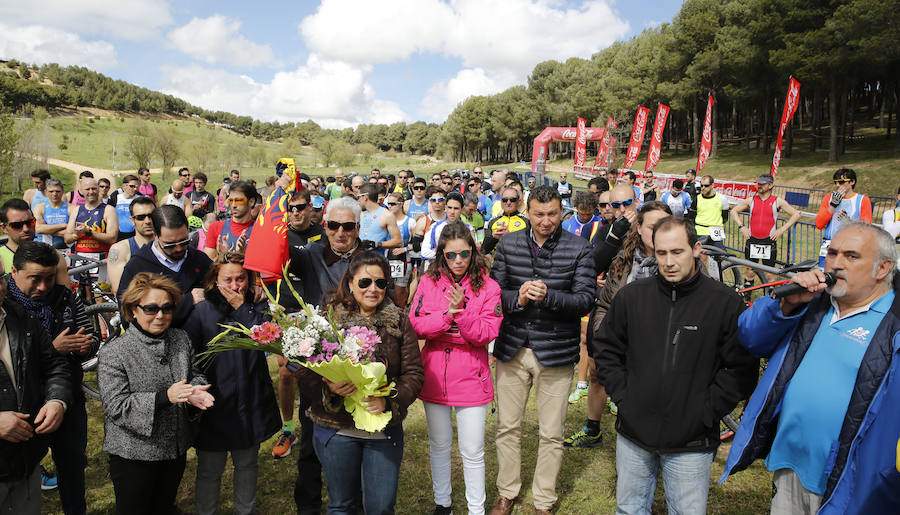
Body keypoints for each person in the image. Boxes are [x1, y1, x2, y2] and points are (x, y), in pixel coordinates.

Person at [721, 222, 899, 515]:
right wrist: (786, 305)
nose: (836, 264)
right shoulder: (813, 304)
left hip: (853, 483)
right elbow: (750, 338)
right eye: (832, 253)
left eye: (851, 256)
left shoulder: (894, 323)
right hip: (790, 464)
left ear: (882, 269)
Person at [595, 215, 758, 514]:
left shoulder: (724, 303)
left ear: (697, 249)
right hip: (634, 433)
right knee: (629, 509)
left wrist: (705, 411)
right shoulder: (632, 297)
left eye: (677, 252)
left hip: (692, 441)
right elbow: (606, 349)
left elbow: (741, 369)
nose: (669, 261)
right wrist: (624, 397)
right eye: (661, 253)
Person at [488, 186, 595, 515]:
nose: (545, 221)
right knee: (507, 426)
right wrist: (516, 299)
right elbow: (493, 295)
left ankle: (544, 500)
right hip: (513, 347)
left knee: (552, 432)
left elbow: (586, 299)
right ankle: (507, 491)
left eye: (552, 214)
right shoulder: (507, 244)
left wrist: (550, 296)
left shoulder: (579, 249)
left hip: (557, 350)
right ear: (526, 210)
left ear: (561, 212)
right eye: (538, 214)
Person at [293, 252, 424, 514]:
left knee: (381, 507)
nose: (372, 289)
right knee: (342, 506)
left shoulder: (398, 321)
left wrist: (388, 401)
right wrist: (327, 388)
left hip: (383, 431)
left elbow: (414, 374)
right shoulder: (327, 320)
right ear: (350, 283)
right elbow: (303, 370)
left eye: (380, 283)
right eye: (365, 282)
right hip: (337, 429)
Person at [98, 273, 214, 515]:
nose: (160, 315)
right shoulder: (115, 352)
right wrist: (165, 397)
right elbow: (116, 406)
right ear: (133, 310)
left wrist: (195, 392)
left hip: (173, 450)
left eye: (167, 308)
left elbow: (193, 374)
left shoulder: (180, 339)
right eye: (151, 309)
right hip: (134, 455)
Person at [409, 222, 502, 515]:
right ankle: (443, 503)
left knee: (472, 451)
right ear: (441, 255)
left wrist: (459, 316)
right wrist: (445, 317)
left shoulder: (489, 286)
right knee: (438, 444)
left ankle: (477, 509)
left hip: (472, 378)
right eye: (451, 255)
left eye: (464, 254)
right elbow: (416, 325)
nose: (459, 261)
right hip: (435, 376)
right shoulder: (428, 282)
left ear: (473, 253)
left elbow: (487, 332)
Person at [566, 201, 672, 448]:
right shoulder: (624, 257)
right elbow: (601, 292)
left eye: (664, 226)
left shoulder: (682, 263)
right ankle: (593, 429)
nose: (658, 233)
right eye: (652, 226)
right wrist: (604, 333)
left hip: (657, 344)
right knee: (598, 377)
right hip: (617, 335)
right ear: (639, 227)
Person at [184, 253, 280, 515]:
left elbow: (268, 338)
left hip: (250, 401)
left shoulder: (256, 308)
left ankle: (245, 510)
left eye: (241, 278)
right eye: (228, 279)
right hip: (215, 403)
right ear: (215, 281)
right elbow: (188, 355)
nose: (236, 285)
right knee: (209, 469)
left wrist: (242, 308)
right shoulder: (201, 312)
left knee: (247, 463)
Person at [7, 241, 92, 515]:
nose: (43, 287)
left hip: (67, 398)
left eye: (49, 278)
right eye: (35, 279)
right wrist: (52, 350)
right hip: (19, 409)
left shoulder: (66, 298)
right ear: (14, 273)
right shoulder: (5, 307)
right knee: (19, 474)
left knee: (72, 464)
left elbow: (89, 335)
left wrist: (85, 347)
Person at [0, 255, 71, 515]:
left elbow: (54, 366)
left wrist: (56, 401)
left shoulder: (21, 317)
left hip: (25, 463)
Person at [270, 189, 324, 460]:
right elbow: (263, 268)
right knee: (285, 372)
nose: (295, 213)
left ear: (310, 208)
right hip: (287, 309)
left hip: (316, 310)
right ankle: (288, 428)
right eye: (290, 208)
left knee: (316, 370)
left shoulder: (322, 233)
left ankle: (319, 421)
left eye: (300, 207)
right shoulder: (279, 233)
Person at [116, 205, 213, 327]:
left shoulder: (200, 259)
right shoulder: (137, 267)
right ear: (155, 235)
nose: (178, 248)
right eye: (170, 245)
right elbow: (127, 317)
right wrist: (188, 301)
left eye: (184, 242)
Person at [730, 174, 802, 284]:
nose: (759, 186)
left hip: (768, 241)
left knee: (770, 274)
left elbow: (796, 214)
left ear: (770, 185)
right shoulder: (751, 200)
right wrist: (742, 227)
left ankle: (770, 297)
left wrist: (781, 230)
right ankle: (746, 297)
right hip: (752, 240)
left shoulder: (777, 201)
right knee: (750, 272)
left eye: (762, 184)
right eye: (758, 183)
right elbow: (734, 211)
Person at [0, 199, 69, 287]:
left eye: (30, 223)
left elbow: (65, 297)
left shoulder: (54, 256)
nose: (26, 229)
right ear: (4, 228)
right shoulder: (0, 258)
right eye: (17, 225)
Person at [815, 168, 873, 267]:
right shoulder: (829, 198)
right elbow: (819, 224)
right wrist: (833, 205)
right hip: (829, 245)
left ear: (852, 182)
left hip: (850, 247)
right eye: (836, 182)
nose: (838, 185)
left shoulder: (863, 200)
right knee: (825, 278)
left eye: (841, 182)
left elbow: (866, 229)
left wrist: (848, 222)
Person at [107, 196, 157, 293]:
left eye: (151, 216)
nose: (147, 221)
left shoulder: (166, 245)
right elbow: (120, 291)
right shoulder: (120, 249)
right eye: (141, 217)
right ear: (132, 220)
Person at [64, 177, 119, 256]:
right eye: (87, 189)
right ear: (82, 191)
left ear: (98, 189)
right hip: (80, 256)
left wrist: (88, 232)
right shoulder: (77, 210)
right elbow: (67, 238)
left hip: (101, 257)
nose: (91, 192)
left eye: (94, 189)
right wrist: (76, 235)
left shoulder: (109, 210)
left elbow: (112, 238)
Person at [205, 181, 257, 260]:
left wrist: (242, 256)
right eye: (231, 200)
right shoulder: (216, 227)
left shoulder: (260, 230)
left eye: (238, 200)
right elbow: (208, 265)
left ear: (251, 202)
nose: (233, 205)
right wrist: (222, 257)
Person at [421, 192, 470, 267]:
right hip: (438, 269)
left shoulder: (468, 229)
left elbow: (470, 253)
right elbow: (424, 252)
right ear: (445, 208)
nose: (452, 212)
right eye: (450, 208)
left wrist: (438, 251)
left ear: (462, 210)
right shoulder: (435, 227)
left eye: (456, 208)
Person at [482, 185, 528, 254]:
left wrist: (510, 237)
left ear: (518, 202)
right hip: (497, 263)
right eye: (505, 200)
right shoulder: (492, 221)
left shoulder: (526, 222)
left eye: (512, 200)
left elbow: (530, 249)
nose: (508, 203)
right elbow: (484, 250)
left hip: (518, 263)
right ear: (501, 202)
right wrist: (493, 238)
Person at [385, 192, 412, 308]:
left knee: (400, 291)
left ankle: (402, 313)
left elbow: (417, 244)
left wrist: (404, 249)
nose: (389, 206)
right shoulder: (385, 221)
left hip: (403, 260)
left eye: (392, 204)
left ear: (401, 204)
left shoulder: (410, 221)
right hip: (387, 259)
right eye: (388, 204)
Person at [357, 183, 401, 252]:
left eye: (358, 196)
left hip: (377, 260)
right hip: (361, 259)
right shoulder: (362, 215)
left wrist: (376, 244)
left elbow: (398, 242)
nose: (358, 200)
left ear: (365, 197)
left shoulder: (386, 215)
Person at [693, 175, 730, 250]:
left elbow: (725, 217)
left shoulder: (722, 198)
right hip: (700, 232)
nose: (703, 188)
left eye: (706, 186)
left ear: (712, 185)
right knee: (700, 257)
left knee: (719, 256)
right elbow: (691, 216)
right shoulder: (697, 199)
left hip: (716, 233)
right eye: (701, 185)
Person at [33, 178, 69, 249]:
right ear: (46, 192)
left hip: (67, 247)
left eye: (57, 191)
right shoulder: (40, 207)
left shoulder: (71, 208)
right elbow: (39, 229)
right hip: (46, 247)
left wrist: (47, 230)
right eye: (51, 191)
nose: (54, 194)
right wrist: (64, 225)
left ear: (62, 192)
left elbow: (72, 232)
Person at [108, 174, 141, 242]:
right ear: (124, 186)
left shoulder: (139, 199)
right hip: (118, 234)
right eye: (132, 186)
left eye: (136, 187)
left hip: (135, 234)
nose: (135, 189)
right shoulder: (115, 198)